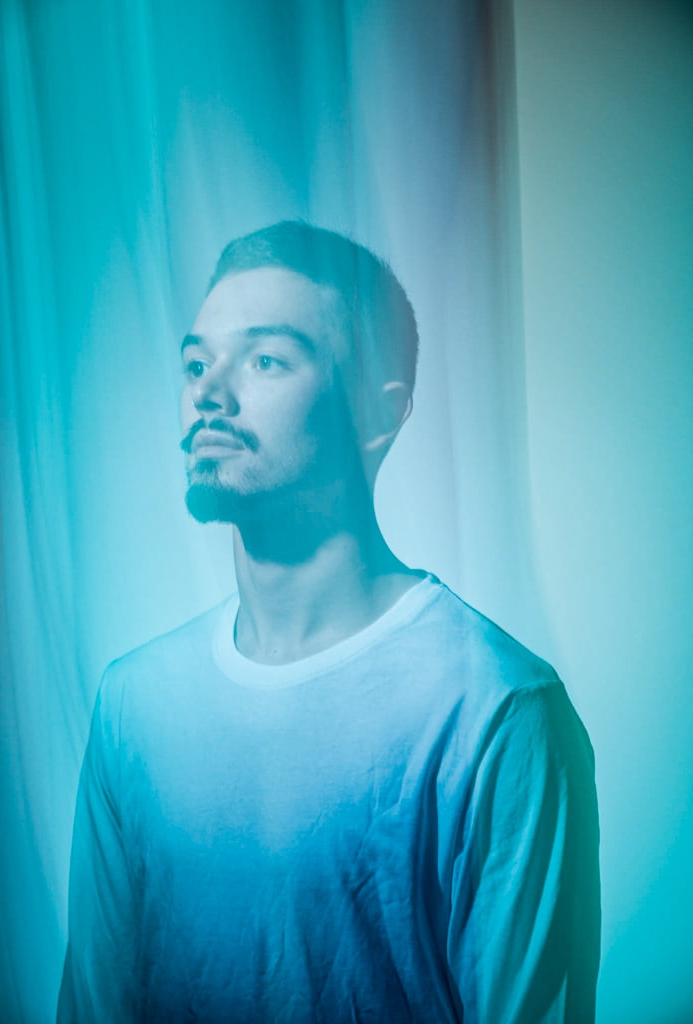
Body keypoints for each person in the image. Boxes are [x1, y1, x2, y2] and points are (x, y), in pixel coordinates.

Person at [57, 222, 600, 1023]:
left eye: (266, 360)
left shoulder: (495, 708)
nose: (209, 391)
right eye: (197, 363)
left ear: (376, 414)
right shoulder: (134, 703)